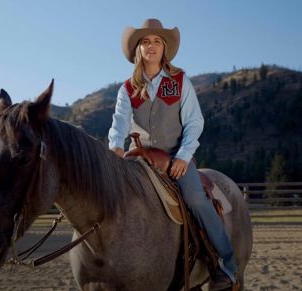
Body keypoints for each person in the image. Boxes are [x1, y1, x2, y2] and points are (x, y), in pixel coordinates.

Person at [108, 19, 237, 290]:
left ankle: (225, 262)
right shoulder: (127, 89)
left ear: (164, 48)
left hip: (174, 157)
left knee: (195, 198)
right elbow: (120, 121)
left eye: (156, 41)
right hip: (139, 157)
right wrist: (116, 148)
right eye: (145, 42)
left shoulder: (180, 82)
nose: (151, 46)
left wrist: (183, 156)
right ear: (138, 50)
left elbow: (194, 122)